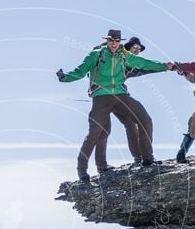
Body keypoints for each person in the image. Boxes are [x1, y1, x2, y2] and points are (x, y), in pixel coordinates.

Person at [57, 29, 172, 182]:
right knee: (97, 133)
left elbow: (143, 63)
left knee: (144, 119)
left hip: (120, 96)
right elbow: (81, 71)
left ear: (120, 42)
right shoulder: (96, 55)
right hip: (101, 97)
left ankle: (147, 158)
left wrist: (165, 66)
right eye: (111, 40)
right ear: (107, 40)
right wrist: (65, 77)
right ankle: (83, 170)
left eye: (117, 41)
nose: (114, 43)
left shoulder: (123, 55)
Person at [94, 36, 163, 167]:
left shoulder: (131, 64)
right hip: (105, 97)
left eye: (139, 49)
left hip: (118, 97)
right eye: (135, 48)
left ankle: (140, 157)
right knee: (104, 130)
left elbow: (145, 69)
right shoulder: (118, 57)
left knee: (130, 124)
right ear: (128, 48)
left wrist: (165, 67)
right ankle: (102, 165)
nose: (137, 51)